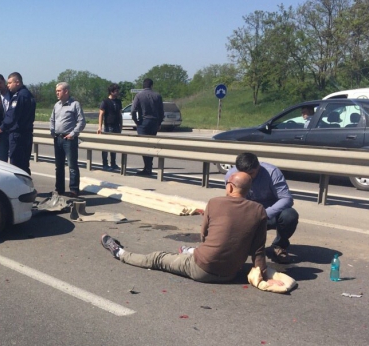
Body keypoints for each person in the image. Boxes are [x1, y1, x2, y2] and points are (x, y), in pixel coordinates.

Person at [101, 172, 276, 284]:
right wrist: (262, 276)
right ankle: (189, 251)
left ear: (230, 186)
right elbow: (258, 251)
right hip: (231, 273)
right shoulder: (259, 210)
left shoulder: (215, 203)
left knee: (157, 258)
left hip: (202, 269)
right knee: (198, 251)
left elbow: (204, 236)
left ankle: (120, 253)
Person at [225, 152, 299, 264]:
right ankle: (239, 245)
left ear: (258, 166)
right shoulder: (231, 175)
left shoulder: (272, 172)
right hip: (247, 214)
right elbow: (231, 200)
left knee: (290, 215)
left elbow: (286, 199)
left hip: (269, 213)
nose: (247, 177)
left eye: (251, 173)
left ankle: (279, 246)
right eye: (243, 174)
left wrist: (264, 213)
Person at [0, 72, 36, 174]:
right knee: (19, 164)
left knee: (16, 165)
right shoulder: (27, 94)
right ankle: (25, 188)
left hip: (17, 134)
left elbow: (11, 116)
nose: (7, 85)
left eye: (9, 83)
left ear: (17, 82)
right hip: (20, 134)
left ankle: (18, 189)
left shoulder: (19, 95)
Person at [50, 82, 86, 197]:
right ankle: (59, 189)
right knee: (59, 166)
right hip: (58, 139)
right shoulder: (57, 105)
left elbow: (81, 121)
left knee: (72, 166)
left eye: (59, 91)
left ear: (66, 91)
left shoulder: (75, 104)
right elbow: (52, 119)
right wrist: (52, 131)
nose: (57, 93)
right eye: (56, 91)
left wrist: (73, 134)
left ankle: (74, 189)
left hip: (69, 139)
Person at [131, 78, 164, 176]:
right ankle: (149, 167)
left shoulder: (139, 95)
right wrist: (159, 123)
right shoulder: (157, 96)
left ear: (143, 86)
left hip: (143, 122)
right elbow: (161, 112)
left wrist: (136, 121)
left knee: (144, 145)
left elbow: (133, 110)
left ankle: (147, 167)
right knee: (152, 145)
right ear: (151, 85)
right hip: (154, 122)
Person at [97, 83, 122, 171]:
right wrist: (100, 127)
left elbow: (119, 114)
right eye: (116, 91)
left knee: (114, 146)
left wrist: (121, 125)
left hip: (116, 126)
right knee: (106, 146)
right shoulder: (105, 101)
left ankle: (113, 163)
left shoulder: (118, 101)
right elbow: (101, 114)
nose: (118, 92)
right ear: (111, 92)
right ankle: (105, 164)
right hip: (108, 126)